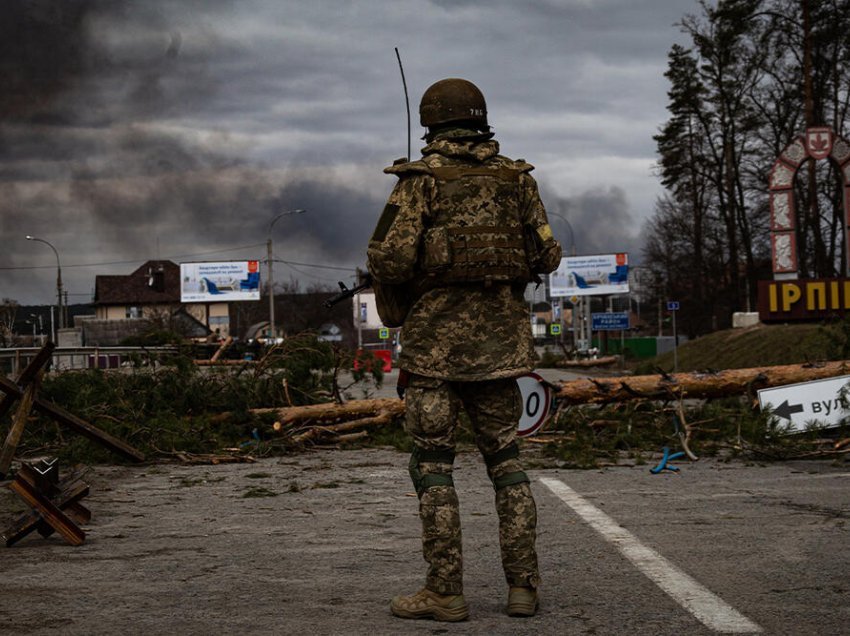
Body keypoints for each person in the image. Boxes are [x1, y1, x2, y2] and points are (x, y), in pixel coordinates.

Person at [366, 77, 562, 622]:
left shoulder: (419, 182)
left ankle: (445, 591)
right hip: (502, 349)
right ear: (481, 120)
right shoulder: (518, 181)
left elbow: (388, 260)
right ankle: (523, 586)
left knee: (433, 466)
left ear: (431, 123)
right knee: (507, 463)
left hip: (434, 352)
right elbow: (548, 255)